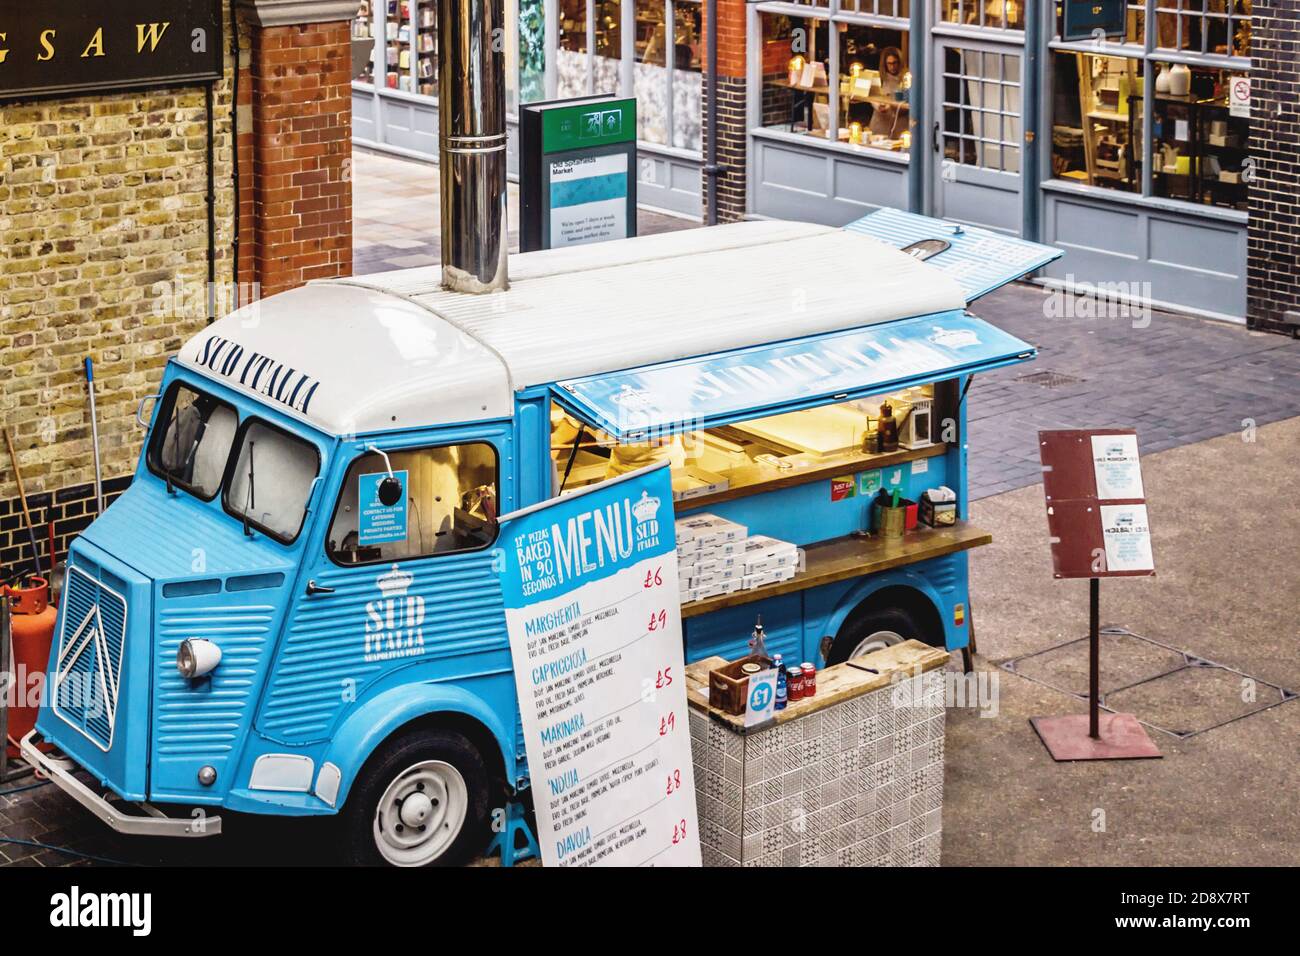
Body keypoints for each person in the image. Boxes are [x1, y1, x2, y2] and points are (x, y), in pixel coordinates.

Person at [869, 46, 908, 139]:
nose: (892, 67)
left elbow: (909, 103)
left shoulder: (907, 79)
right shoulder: (879, 78)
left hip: (899, 124)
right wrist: (878, 106)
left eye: (895, 63)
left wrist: (892, 105)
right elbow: (872, 95)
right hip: (880, 123)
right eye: (889, 64)